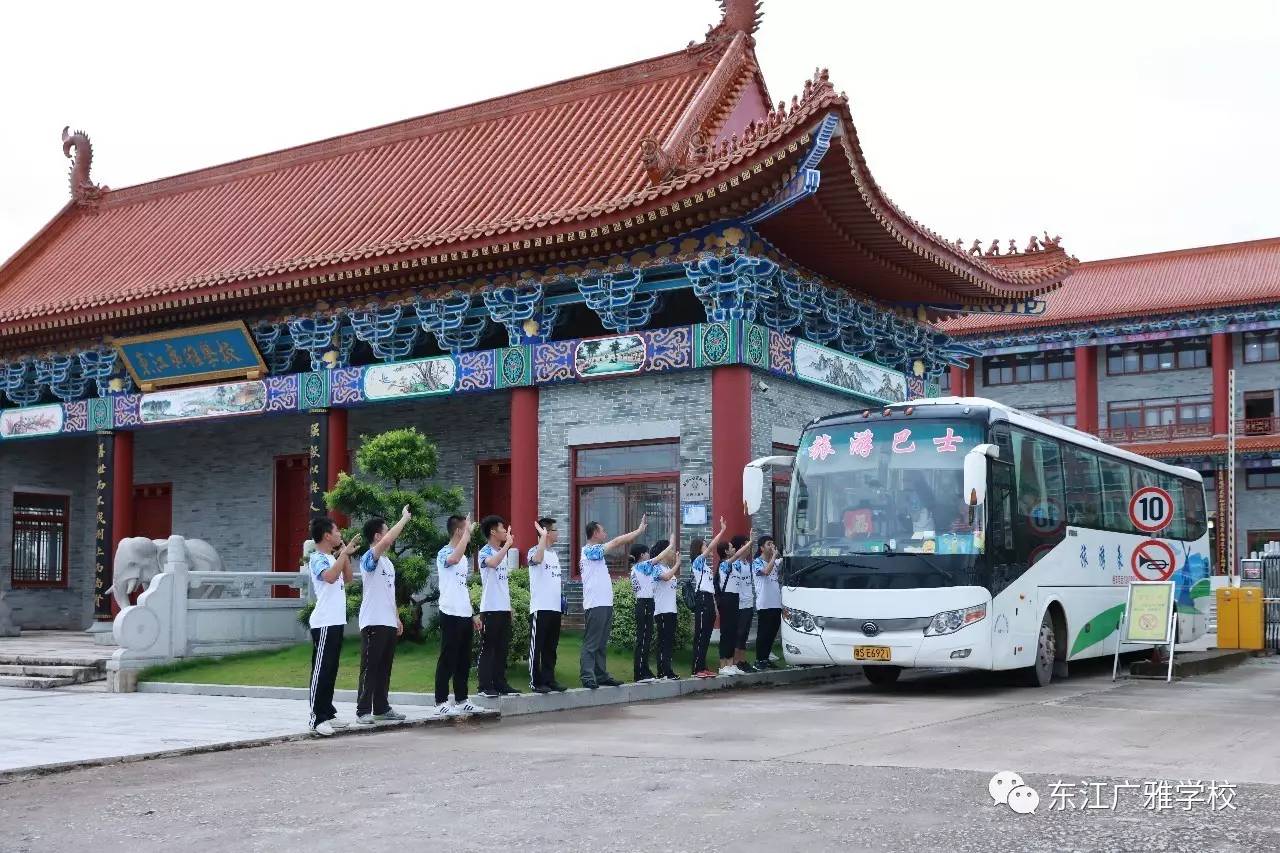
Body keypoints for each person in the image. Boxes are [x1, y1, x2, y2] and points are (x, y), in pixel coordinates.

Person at [355, 506, 411, 725]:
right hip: (372, 622)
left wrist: (396, 617)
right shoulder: (370, 558)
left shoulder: (388, 563)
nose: (389, 535)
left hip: (387, 621)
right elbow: (387, 542)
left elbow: (390, 592)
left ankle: (381, 707)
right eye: (386, 531)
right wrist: (404, 519)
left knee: (384, 668)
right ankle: (362, 711)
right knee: (370, 668)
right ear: (378, 536)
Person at [579, 514, 648, 689]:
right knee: (592, 643)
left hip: (605, 603)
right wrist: (638, 531)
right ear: (595, 533)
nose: (605, 533)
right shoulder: (589, 551)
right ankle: (587, 676)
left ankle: (601, 675)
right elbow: (617, 542)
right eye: (602, 530)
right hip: (595, 604)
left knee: (602, 643)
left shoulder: (597, 554)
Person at [307, 517, 359, 736]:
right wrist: (344, 553)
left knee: (331, 669)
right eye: (337, 531)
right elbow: (329, 577)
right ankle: (316, 718)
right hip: (324, 622)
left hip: (336, 621)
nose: (339, 534)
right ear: (326, 535)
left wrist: (344, 553)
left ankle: (328, 713)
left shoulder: (331, 557)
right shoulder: (317, 558)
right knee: (321, 670)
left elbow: (347, 578)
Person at [433, 514, 487, 717]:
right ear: (458, 531)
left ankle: (462, 699)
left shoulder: (464, 557)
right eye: (466, 530)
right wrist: (466, 535)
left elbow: (462, 587)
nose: (470, 534)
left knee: (464, 659)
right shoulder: (444, 553)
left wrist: (472, 614)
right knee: (448, 657)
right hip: (449, 612)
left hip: (464, 613)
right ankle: (440, 701)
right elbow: (452, 559)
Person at [476, 514, 518, 699]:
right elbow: (492, 563)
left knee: (502, 648)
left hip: (503, 608)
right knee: (489, 648)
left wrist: (509, 607)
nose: (505, 532)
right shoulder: (485, 552)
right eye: (502, 529)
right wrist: (507, 545)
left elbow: (503, 584)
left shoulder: (502, 552)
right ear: (493, 532)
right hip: (490, 608)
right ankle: (485, 686)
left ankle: (500, 683)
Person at [527, 517, 567, 694]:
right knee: (537, 647)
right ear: (546, 532)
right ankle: (535, 682)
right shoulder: (534, 551)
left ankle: (549, 680)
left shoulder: (554, 555)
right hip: (540, 608)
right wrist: (542, 538)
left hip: (554, 609)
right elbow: (537, 559)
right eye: (554, 530)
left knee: (551, 648)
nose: (558, 533)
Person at [629, 538, 676, 683]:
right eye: (647, 553)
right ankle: (640, 673)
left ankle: (645, 670)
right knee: (643, 639)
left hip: (647, 603)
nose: (649, 555)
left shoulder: (640, 568)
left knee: (646, 639)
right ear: (642, 555)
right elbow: (659, 557)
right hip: (644, 603)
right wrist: (672, 544)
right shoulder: (641, 566)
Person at [689, 518, 728, 678]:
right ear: (699, 549)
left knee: (706, 635)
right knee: (700, 634)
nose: (707, 547)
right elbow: (712, 546)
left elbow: (711, 587)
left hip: (709, 599)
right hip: (701, 599)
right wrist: (722, 531)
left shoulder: (705, 566)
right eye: (704, 545)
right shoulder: (697, 562)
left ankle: (702, 666)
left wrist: (715, 606)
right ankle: (696, 669)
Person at [716, 529, 754, 677]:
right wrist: (750, 542)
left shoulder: (737, 565)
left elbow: (741, 557)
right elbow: (738, 554)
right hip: (727, 599)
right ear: (726, 552)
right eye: (731, 547)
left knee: (732, 632)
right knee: (726, 632)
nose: (734, 549)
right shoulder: (724, 565)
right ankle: (722, 665)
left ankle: (731, 663)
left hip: (735, 598)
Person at [650, 539, 682, 681]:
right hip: (661, 610)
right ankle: (663, 671)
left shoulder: (669, 568)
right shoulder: (656, 568)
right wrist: (678, 564)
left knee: (668, 642)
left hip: (671, 610)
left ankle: (667, 670)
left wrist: (674, 566)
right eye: (670, 550)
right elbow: (666, 578)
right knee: (663, 642)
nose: (673, 553)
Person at [753, 535, 782, 670]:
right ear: (762, 548)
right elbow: (765, 571)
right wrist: (774, 557)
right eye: (768, 544)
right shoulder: (757, 562)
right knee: (763, 632)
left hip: (776, 603)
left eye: (772, 543)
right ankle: (759, 659)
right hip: (764, 604)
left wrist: (777, 555)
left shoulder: (775, 562)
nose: (771, 546)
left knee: (772, 632)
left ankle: (766, 658)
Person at [731, 535, 757, 673]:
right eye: (746, 545)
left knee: (745, 634)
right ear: (740, 547)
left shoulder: (747, 563)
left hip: (748, 603)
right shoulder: (736, 564)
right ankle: (736, 661)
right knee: (739, 634)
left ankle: (742, 660)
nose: (749, 548)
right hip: (739, 604)